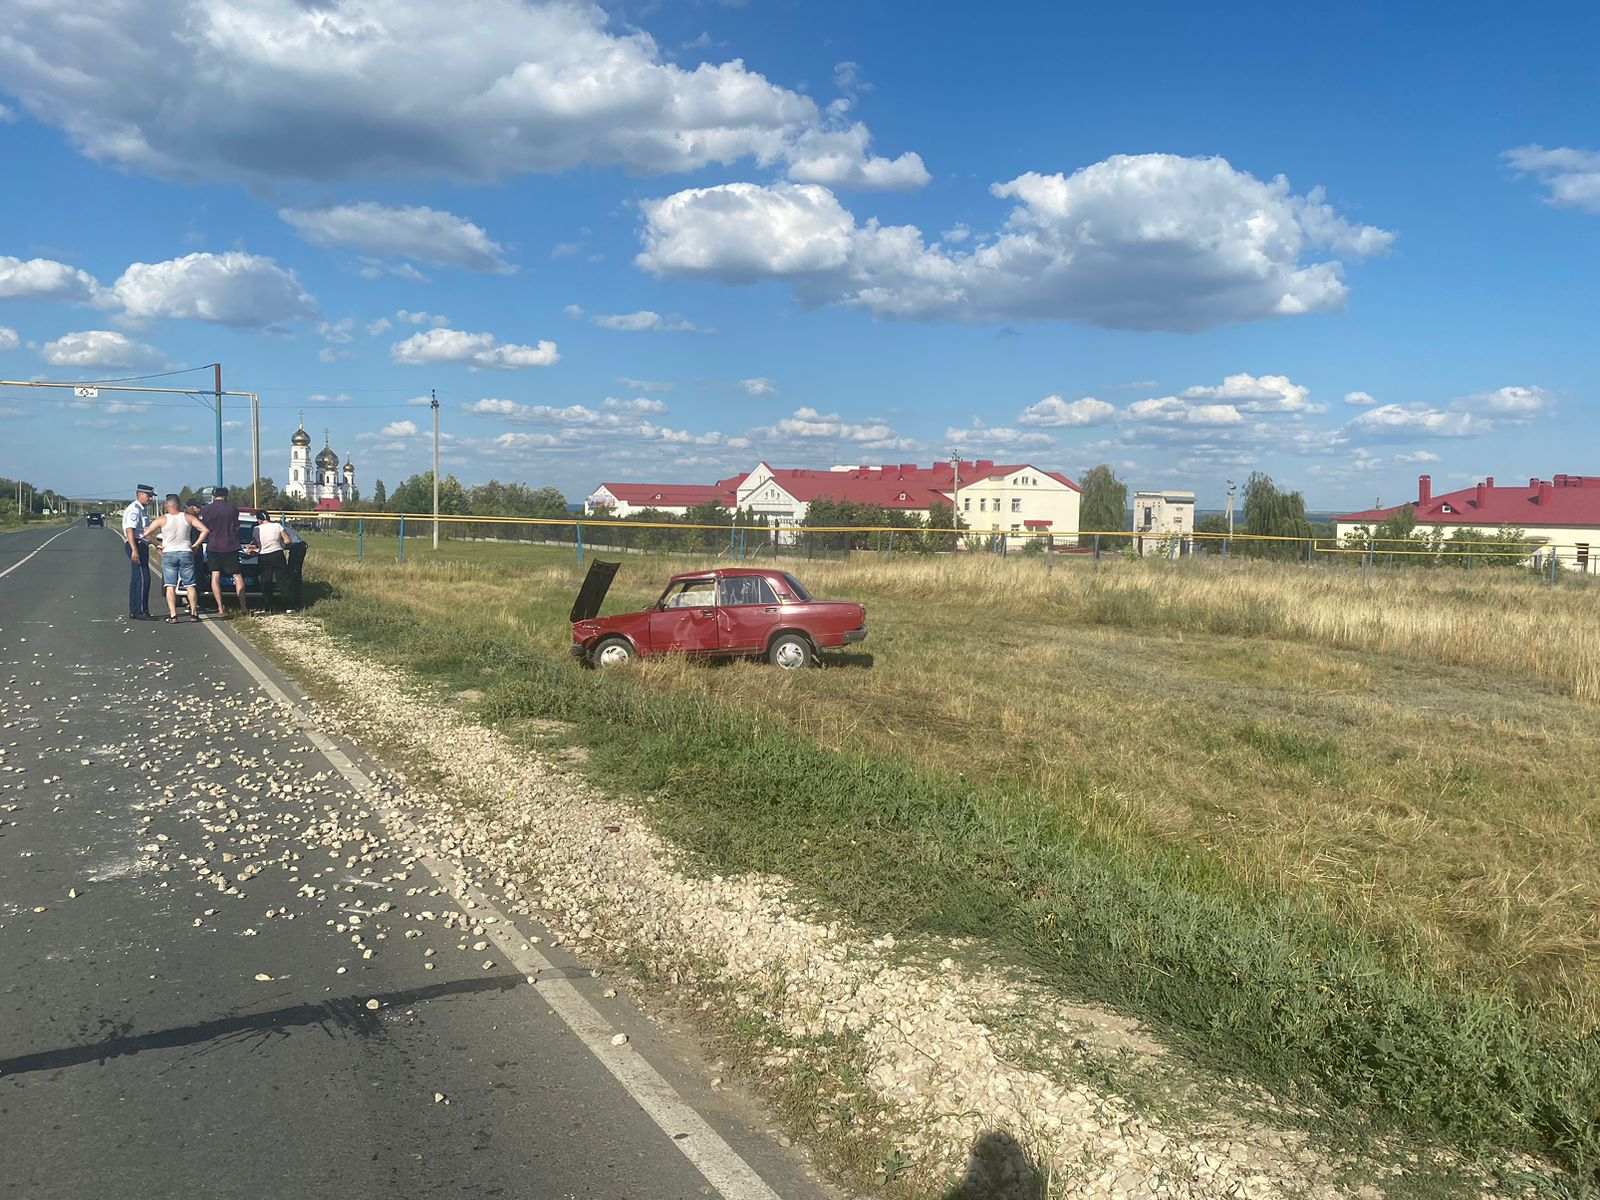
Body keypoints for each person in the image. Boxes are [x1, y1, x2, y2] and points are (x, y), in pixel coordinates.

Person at [143, 494, 209, 623]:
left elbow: (146, 534)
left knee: (170, 585)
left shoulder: (162, 519)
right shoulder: (188, 517)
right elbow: (205, 530)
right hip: (185, 551)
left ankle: (173, 615)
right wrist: (196, 545)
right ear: (178, 505)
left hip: (169, 552)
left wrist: (157, 544)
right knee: (190, 584)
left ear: (167, 506)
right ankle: (194, 613)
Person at [198, 486, 249, 617]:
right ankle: (243, 607)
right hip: (230, 545)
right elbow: (236, 526)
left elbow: (203, 527)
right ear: (226, 496)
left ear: (213, 496)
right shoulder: (232, 509)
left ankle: (220, 608)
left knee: (215, 575)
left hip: (213, 546)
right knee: (237, 575)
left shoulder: (207, 509)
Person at [122, 484, 156, 620]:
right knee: (143, 578)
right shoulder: (135, 509)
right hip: (136, 544)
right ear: (140, 494)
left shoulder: (142, 509)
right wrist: (134, 550)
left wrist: (157, 545)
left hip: (140, 543)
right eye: (149, 496)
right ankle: (141, 611)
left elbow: (145, 532)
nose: (151, 499)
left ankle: (134, 610)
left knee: (137, 578)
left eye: (151, 496)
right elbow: (130, 530)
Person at [252, 509, 289, 611]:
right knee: (282, 580)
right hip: (277, 554)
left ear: (259, 519)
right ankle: (287, 606)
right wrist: (281, 545)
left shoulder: (256, 529)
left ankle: (268, 606)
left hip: (264, 556)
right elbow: (287, 540)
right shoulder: (277, 526)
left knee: (266, 581)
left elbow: (257, 544)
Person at [283, 521, 308, 610]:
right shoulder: (278, 527)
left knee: (294, 574)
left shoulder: (276, 529)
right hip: (299, 546)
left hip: (297, 547)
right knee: (294, 574)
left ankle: (296, 603)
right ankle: (297, 601)